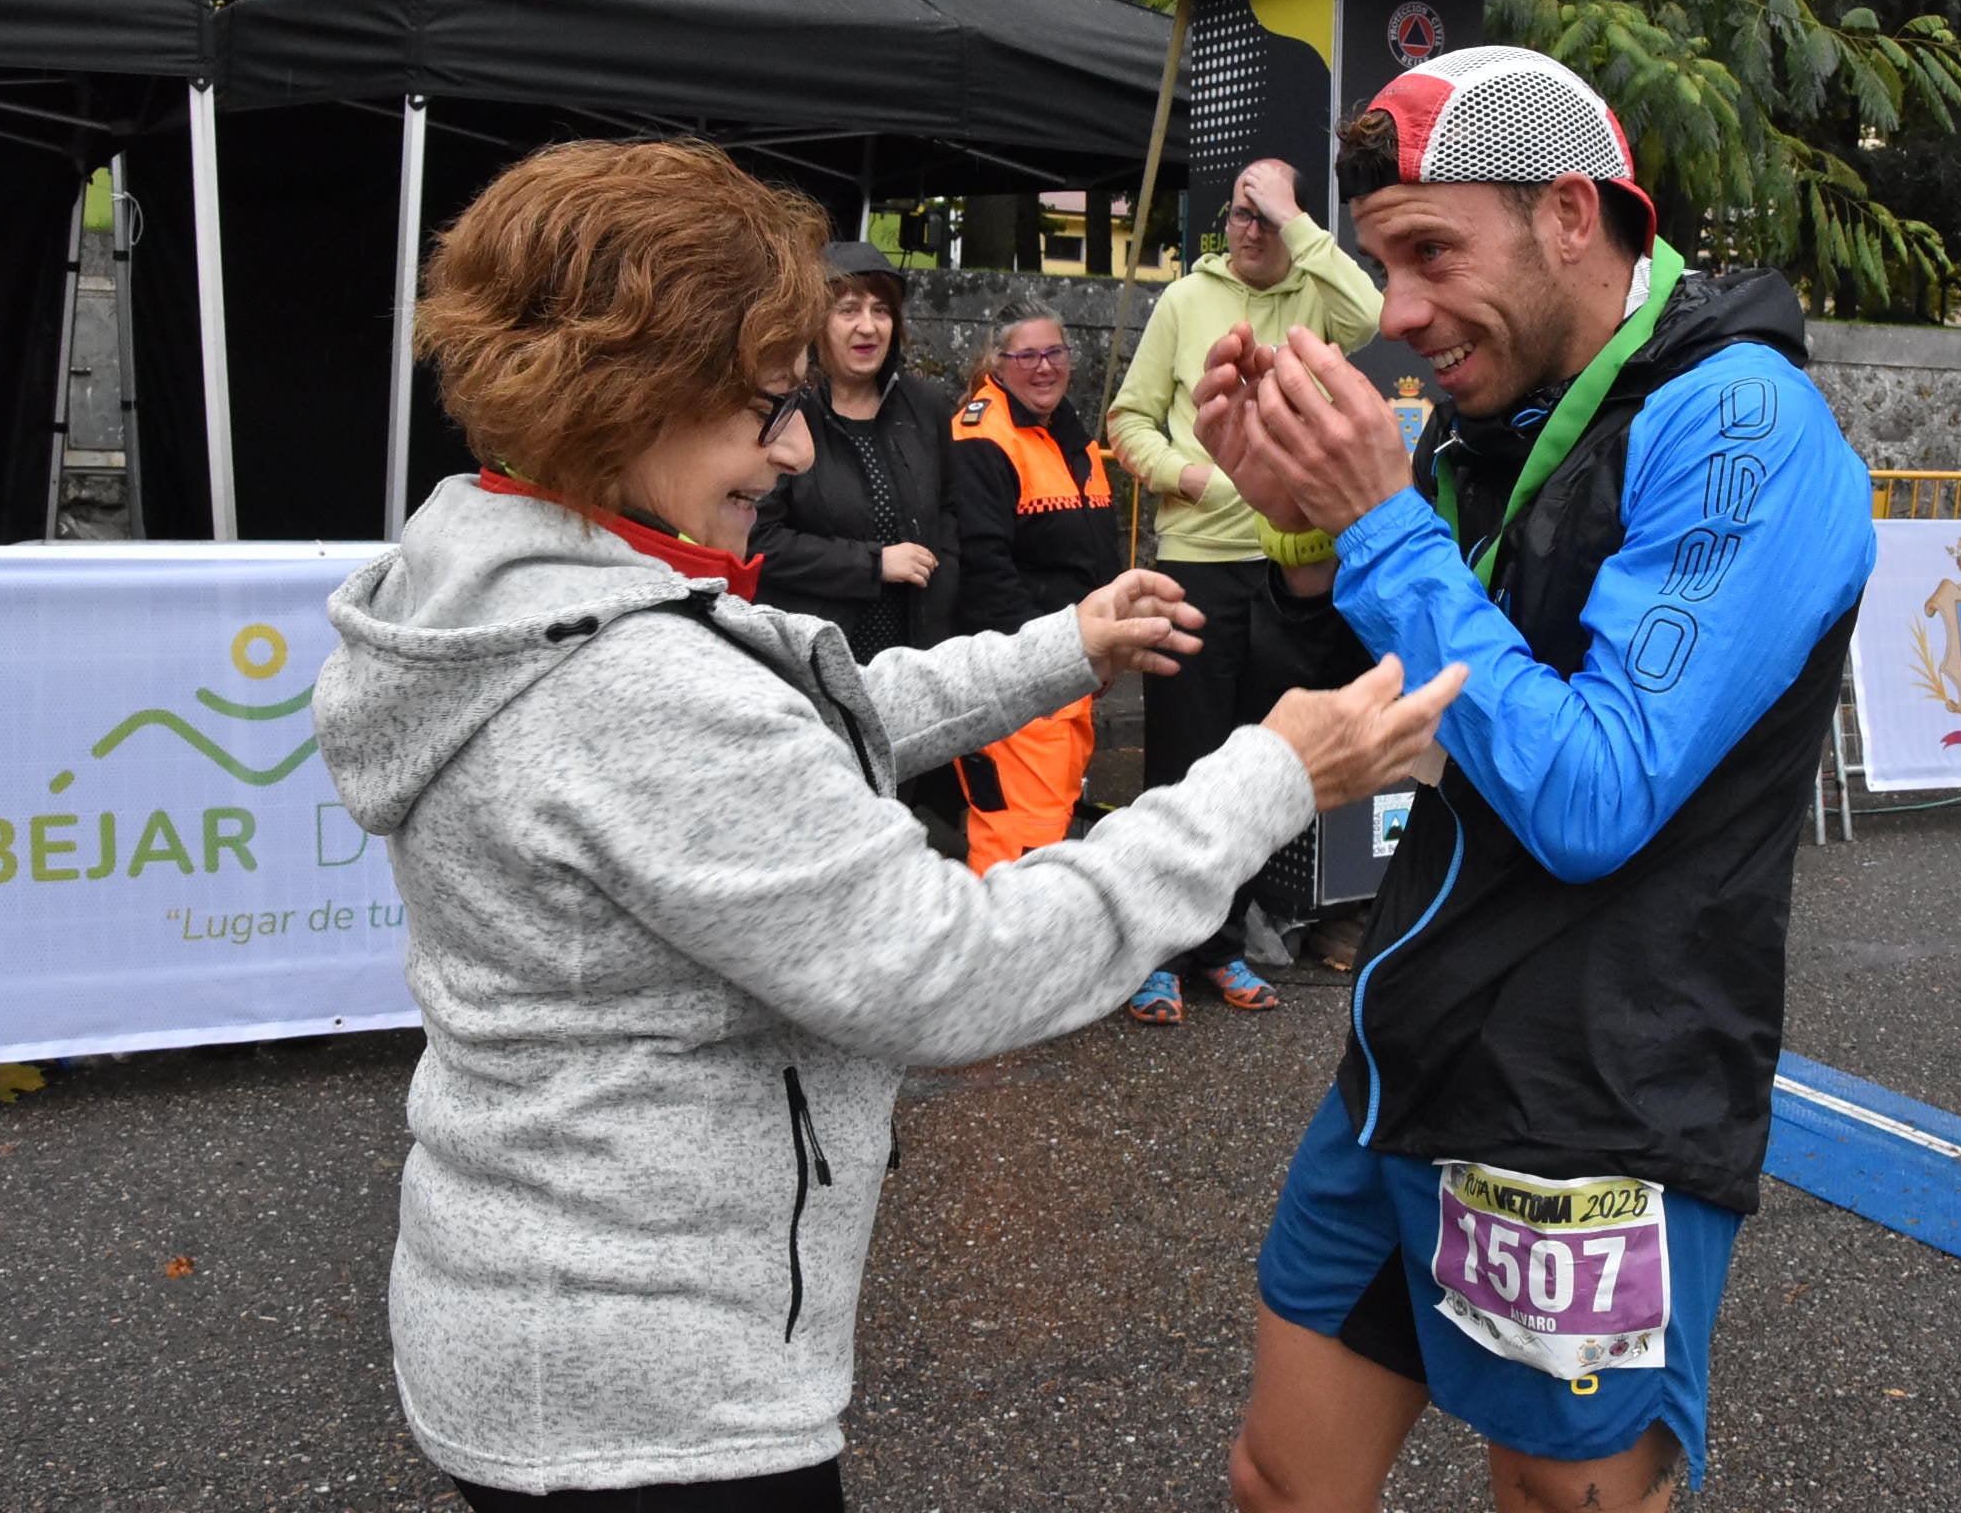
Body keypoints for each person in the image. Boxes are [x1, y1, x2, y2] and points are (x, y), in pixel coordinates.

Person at [310, 139, 1462, 1513]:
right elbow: (948, 972)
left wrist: (1058, 649)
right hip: (654, 1408)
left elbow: (797, 728)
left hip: (543, 1335)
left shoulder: (515, 575)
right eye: (763, 407)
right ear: (625, 398)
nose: (793, 448)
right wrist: (1270, 777)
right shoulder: (627, 684)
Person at [1192, 47, 1877, 1513]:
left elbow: (1592, 797)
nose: (1400, 313)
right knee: (1277, 1480)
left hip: (1591, 1100)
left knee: (1561, 1503)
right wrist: (1306, 529)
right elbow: (1422, 683)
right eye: (1384, 264)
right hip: (1408, 1053)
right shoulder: (1491, 414)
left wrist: (1378, 528)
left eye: (1431, 253)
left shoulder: (1744, 425)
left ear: (1574, 212)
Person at [1107, 156, 1382, 1023]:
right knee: (1179, 762)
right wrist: (1184, 477)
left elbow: (1373, 316)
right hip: (1193, 561)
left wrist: (1298, 223)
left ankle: (1221, 943)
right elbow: (1128, 419)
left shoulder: (1315, 292)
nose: (1249, 227)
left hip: (1287, 565)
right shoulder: (1188, 301)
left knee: (1258, 764)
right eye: (1238, 213)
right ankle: (1156, 952)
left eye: (1265, 214)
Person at [751, 242, 965, 852]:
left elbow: (948, 513)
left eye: (880, 309)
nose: (866, 326)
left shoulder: (925, 407)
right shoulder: (786, 411)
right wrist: (875, 564)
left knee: (900, 822)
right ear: (816, 322)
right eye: (846, 309)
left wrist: (943, 598)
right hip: (821, 665)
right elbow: (760, 540)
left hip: (913, 653)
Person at [947, 298, 1121, 874]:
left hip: (1071, 668)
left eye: (1055, 352)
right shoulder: (984, 437)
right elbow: (983, 568)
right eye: (1027, 356)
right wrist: (1041, 666)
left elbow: (1097, 551)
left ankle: (1038, 953)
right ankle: (1008, 959)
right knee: (1018, 839)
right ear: (997, 363)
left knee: (1050, 825)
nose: (1044, 367)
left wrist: (1104, 648)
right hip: (1020, 673)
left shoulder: (1067, 433)